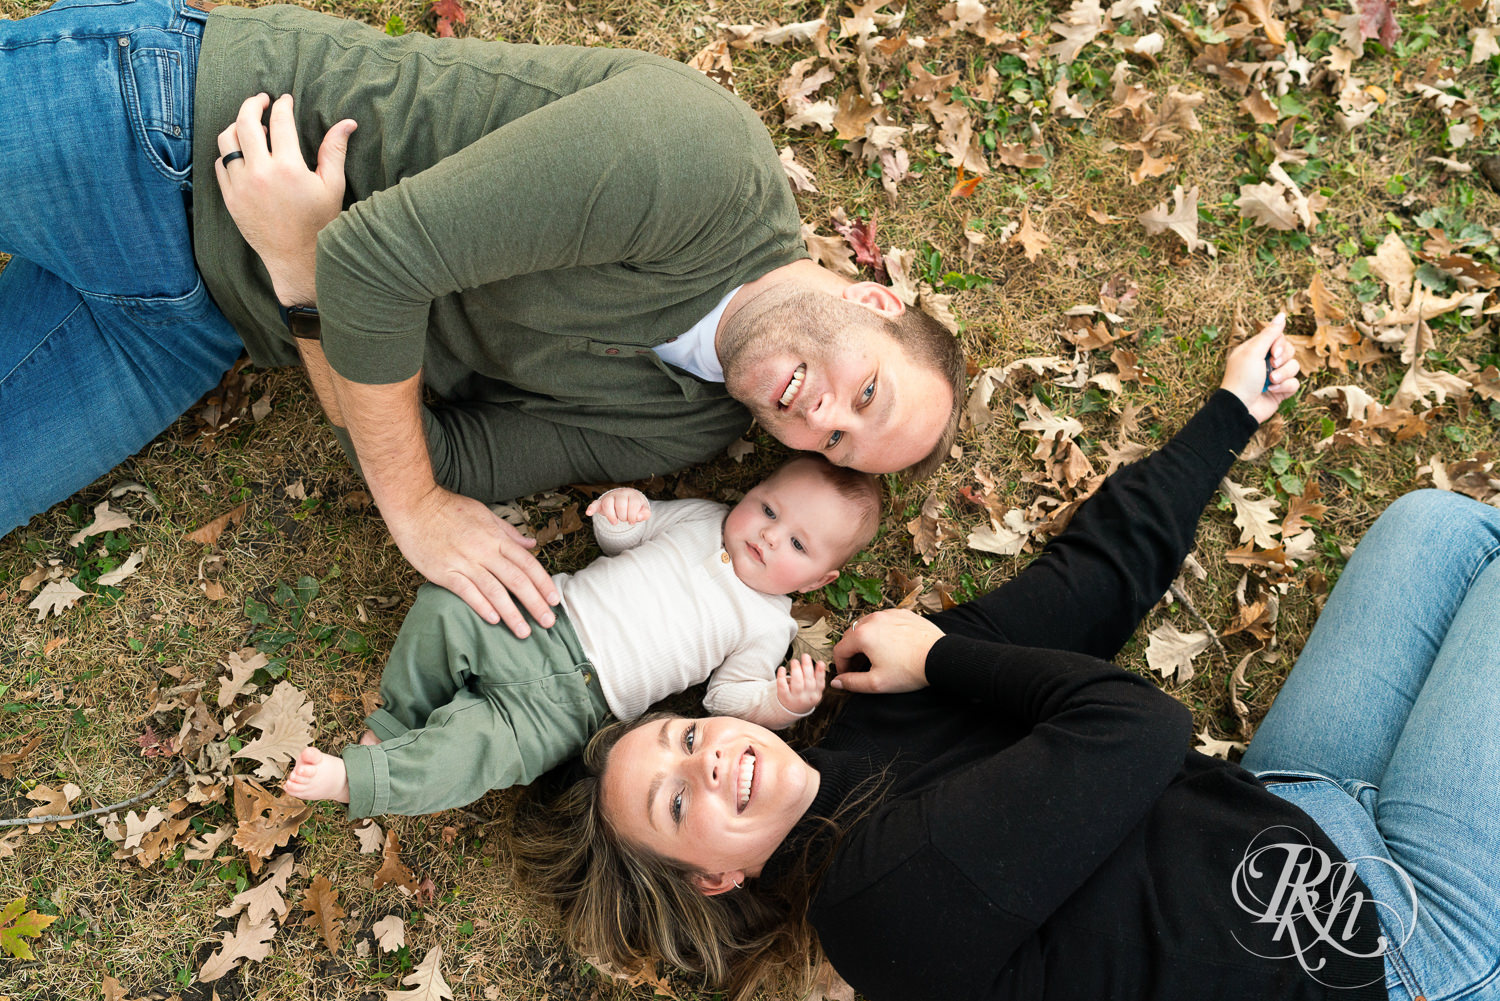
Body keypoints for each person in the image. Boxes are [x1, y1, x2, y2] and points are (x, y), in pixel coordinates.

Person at [514, 320, 1496, 1001]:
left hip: (1284, 812)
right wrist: (941, 657)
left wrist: (1231, 411)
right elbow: (1135, 727)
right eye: (678, 803)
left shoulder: (872, 703)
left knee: (1439, 529)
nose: (710, 761)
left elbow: (1093, 581)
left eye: (684, 736)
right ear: (713, 879)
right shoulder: (880, 910)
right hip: (1389, 951)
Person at [0, 0, 964, 637]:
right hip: (162, 128)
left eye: (835, 442)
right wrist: (412, 509)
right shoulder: (703, 167)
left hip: (193, 322)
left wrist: (301, 279)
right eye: (865, 391)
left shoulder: (687, 424)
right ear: (873, 300)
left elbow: (428, 445)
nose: (821, 415)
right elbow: (376, 270)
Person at [283, 456, 880, 818]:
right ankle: (396, 719)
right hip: (540, 616)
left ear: (819, 578)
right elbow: (627, 539)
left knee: (477, 745)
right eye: (768, 509)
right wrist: (624, 515)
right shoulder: (703, 517)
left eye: (798, 545)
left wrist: (780, 704)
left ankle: (361, 780)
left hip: (574, 707)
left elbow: (725, 700)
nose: (770, 537)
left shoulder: (767, 624)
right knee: (446, 604)